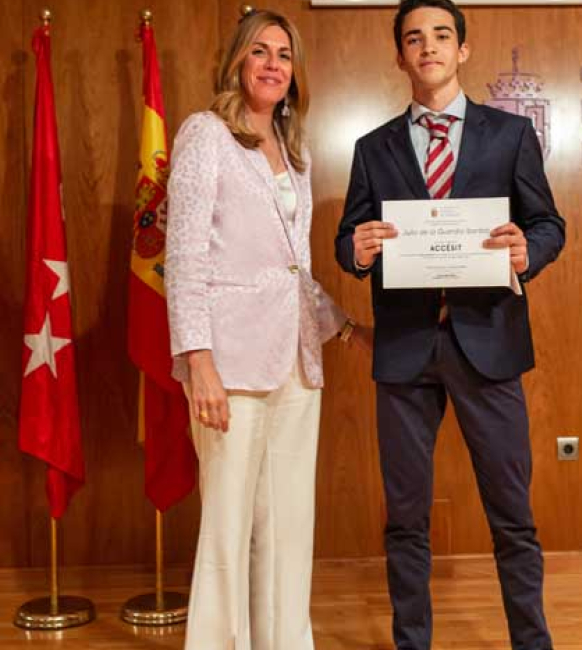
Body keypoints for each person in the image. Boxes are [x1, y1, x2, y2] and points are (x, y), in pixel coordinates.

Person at [335, 1, 565, 649]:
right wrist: (357, 251)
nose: (428, 47)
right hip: (405, 350)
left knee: (512, 514)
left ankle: (532, 642)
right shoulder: (372, 148)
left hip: (489, 342)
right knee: (406, 519)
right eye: (414, 38)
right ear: (400, 56)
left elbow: (548, 224)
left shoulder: (510, 134)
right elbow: (347, 239)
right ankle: (412, 643)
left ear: (462, 50)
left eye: (441, 35)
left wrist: (527, 251)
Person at [165, 8, 370, 650]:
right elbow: (185, 255)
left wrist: (347, 329)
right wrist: (197, 359)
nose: (273, 64)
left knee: (287, 529)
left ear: (294, 72)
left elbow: (292, 269)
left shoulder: (295, 151)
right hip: (229, 362)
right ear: (237, 61)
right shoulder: (205, 134)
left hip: (296, 365)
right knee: (228, 529)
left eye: (284, 54)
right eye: (260, 51)